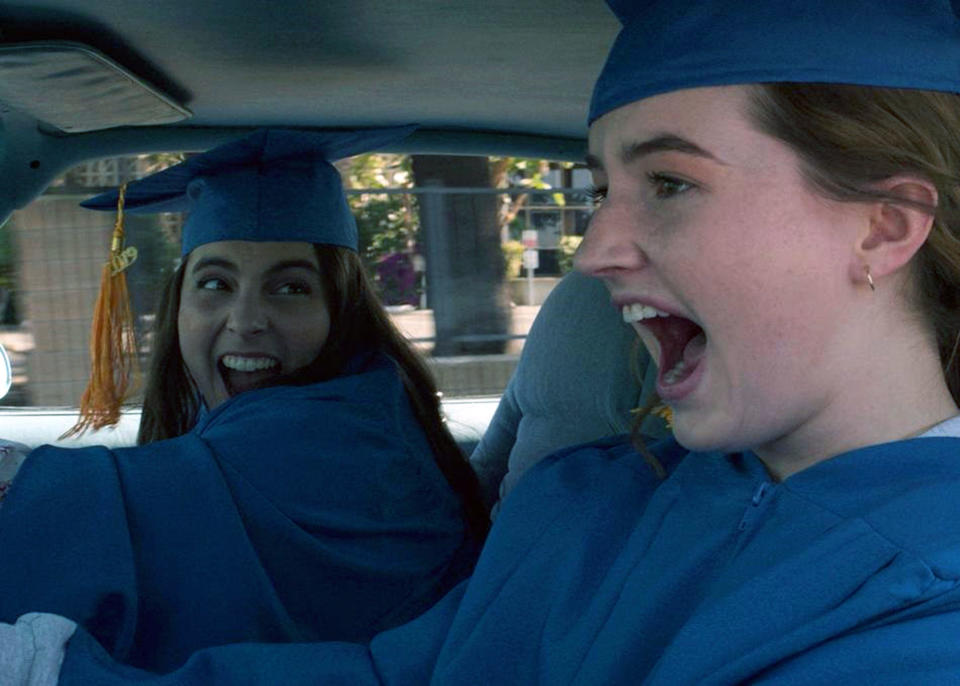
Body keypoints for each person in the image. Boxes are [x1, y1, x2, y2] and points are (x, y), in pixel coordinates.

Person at [9, 0, 960, 682]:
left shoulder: (924, 615)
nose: (591, 252)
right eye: (598, 192)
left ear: (881, 228)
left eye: (669, 182)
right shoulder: (594, 501)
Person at [0, 127, 487, 673]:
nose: (247, 320)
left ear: (341, 308)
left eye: (291, 287)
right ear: (178, 304)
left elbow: (114, 510)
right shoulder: (376, 401)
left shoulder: (346, 443)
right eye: (215, 284)